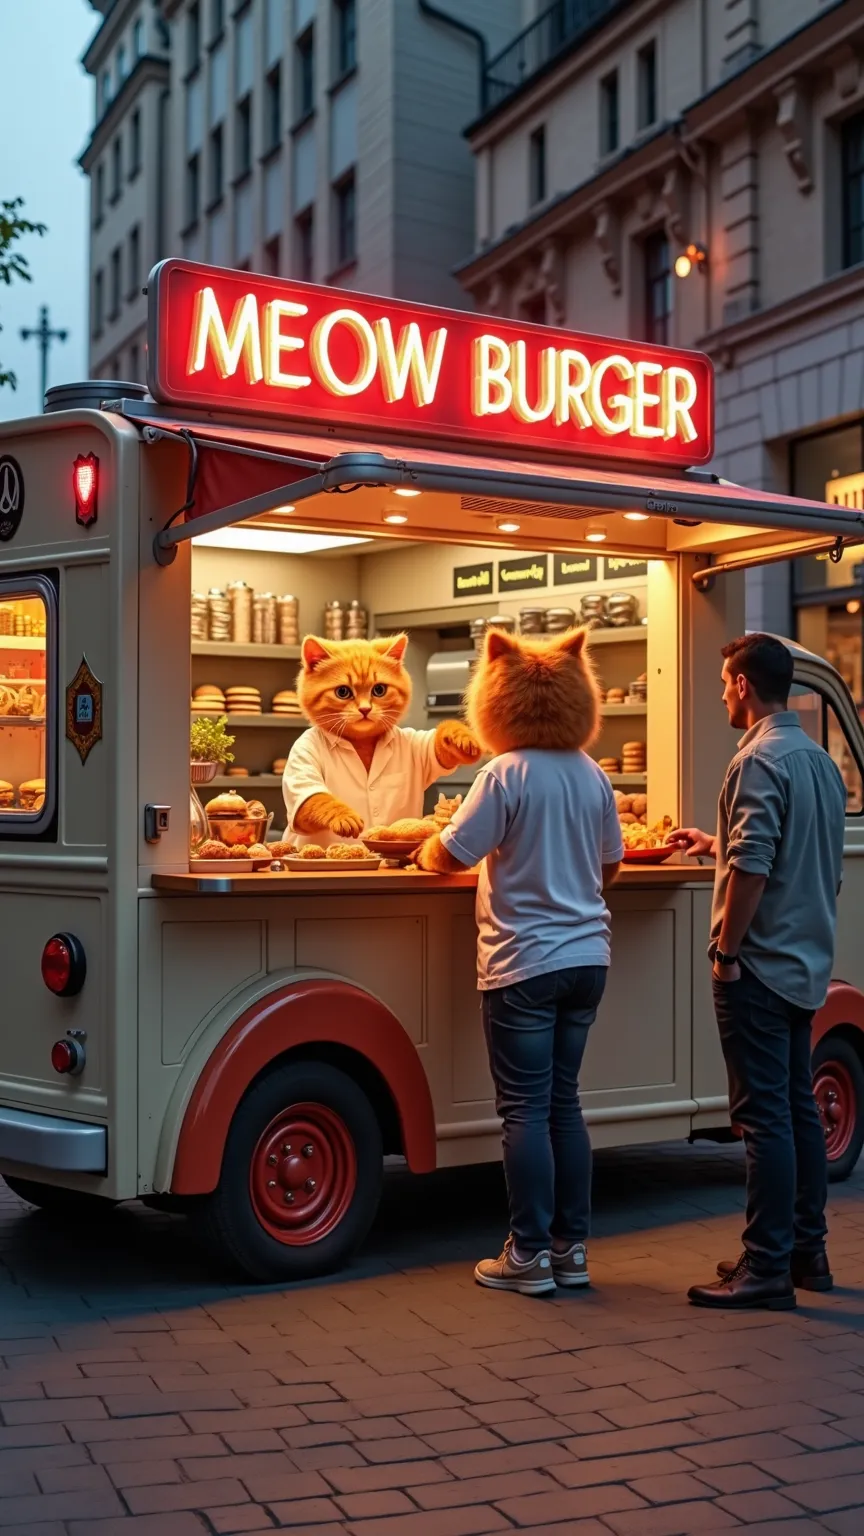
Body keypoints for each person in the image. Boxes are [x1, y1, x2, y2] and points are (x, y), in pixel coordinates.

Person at [416, 625, 623, 1296]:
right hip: (588, 958)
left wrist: (425, 853)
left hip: (523, 963)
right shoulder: (592, 775)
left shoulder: (504, 773)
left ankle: (527, 1256)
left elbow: (453, 851)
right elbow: (611, 864)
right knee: (565, 1104)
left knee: (525, 1111)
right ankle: (572, 1253)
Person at [669, 634, 847, 1310]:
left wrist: (726, 950)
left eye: (722, 683)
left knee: (763, 1118)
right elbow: (807, 857)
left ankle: (765, 1268)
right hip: (806, 962)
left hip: (760, 968)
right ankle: (807, 1252)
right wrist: (715, 844)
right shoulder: (818, 762)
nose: (720, 694)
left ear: (744, 685)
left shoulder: (756, 762)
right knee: (799, 1109)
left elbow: (754, 866)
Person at [282, 633, 479, 847]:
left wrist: (456, 737)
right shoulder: (309, 748)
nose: (365, 706)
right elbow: (303, 809)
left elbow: (442, 748)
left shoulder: (408, 744)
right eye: (343, 692)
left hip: (394, 875)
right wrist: (333, 813)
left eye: (378, 690)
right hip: (324, 876)